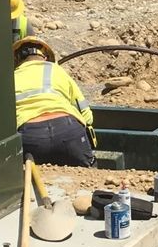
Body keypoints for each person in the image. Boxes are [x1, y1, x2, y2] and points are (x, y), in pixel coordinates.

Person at [13, 37, 96, 167]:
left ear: (17, 59)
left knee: (32, 182)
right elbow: (86, 114)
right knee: (87, 174)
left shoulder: (11, 77)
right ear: (45, 56)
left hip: (31, 135)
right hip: (69, 131)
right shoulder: (58, 71)